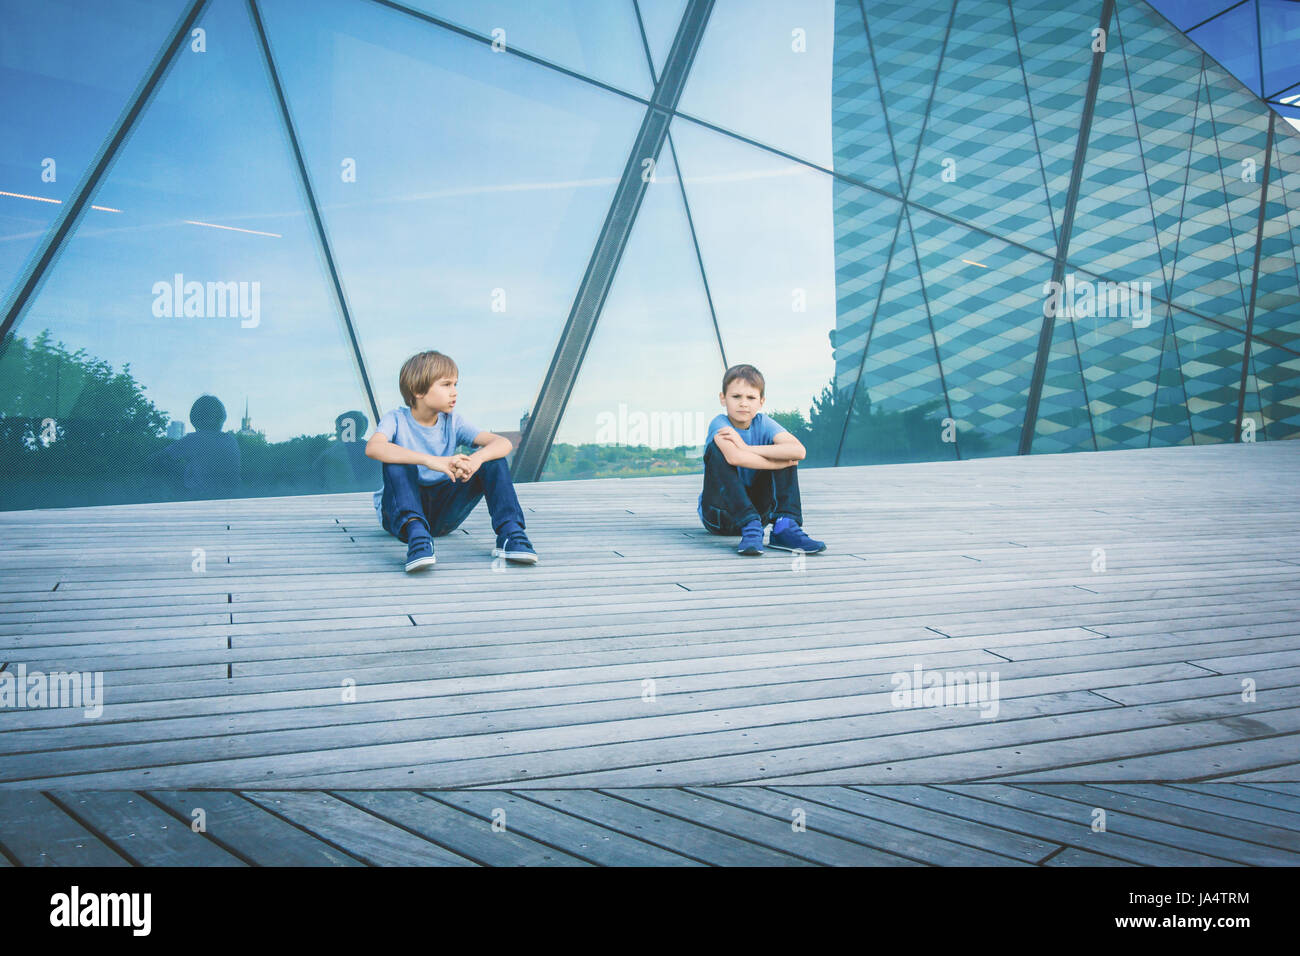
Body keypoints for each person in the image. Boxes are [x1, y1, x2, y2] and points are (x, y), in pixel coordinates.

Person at [365, 350, 536, 572]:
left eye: (455, 385)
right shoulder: (396, 419)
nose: (454, 392)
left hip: (443, 515)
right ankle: (417, 538)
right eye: (446, 385)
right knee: (396, 459)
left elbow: (502, 443)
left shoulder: (453, 422)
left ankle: (511, 534)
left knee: (493, 460)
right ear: (418, 390)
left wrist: (475, 460)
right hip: (399, 514)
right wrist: (432, 461)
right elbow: (373, 447)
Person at [698, 364, 826, 556]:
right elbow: (735, 457)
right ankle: (749, 524)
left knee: (786, 451)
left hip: (759, 516)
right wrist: (778, 462)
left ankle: (785, 528)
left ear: (761, 401)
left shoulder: (763, 423)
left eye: (751, 397)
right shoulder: (720, 423)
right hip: (719, 515)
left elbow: (799, 451)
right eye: (736, 397)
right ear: (723, 399)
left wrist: (747, 447)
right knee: (717, 449)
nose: (743, 403)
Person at [148, 394, 241, 498]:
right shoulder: (230, 440)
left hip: (199, 496)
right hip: (229, 497)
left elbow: (157, 458)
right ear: (222, 418)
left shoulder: (194, 439)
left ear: (195, 419)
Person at [314, 410, 380, 491]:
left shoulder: (334, 453)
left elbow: (317, 471)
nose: (336, 434)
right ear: (363, 430)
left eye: (337, 430)